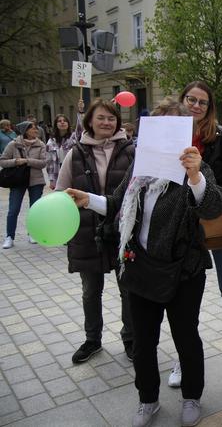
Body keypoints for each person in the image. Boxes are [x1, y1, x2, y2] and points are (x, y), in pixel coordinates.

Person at [66, 97, 222, 427]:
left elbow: (213, 206)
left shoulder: (194, 167)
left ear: (185, 131)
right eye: (159, 124)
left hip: (184, 270)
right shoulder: (142, 168)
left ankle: (192, 396)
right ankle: (148, 399)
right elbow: (116, 203)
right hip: (140, 266)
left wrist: (196, 177)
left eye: (173, 125)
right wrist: (88, 200)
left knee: (186, 337)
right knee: (143, 341)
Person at [168, 81, 222, 385]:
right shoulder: (171, 136)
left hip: (219, 222)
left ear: (210, 107)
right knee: (184, 297)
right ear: (183, 100)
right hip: (183, 228)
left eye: (203, 102)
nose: (196, 106)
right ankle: (182, 357)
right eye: (191, 99)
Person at [55, 99, 135, 364]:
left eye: (111, 119)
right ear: (90, 120)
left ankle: (131, 338)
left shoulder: (131, 151)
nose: (106, 123)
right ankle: (93, 339)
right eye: (101, 118)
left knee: (128, 289)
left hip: (123, 230)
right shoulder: (75, 153)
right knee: (91, 290)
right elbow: (60, 193)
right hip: (86, 232)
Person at [0, 121, 47, 249]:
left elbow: (43, 162)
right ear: (25, 130)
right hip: (18, 181)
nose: (36, 130)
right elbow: (3, 162)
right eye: (32, 128)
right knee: (13, 210)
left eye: (36, 128)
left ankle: (33, 233)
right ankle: (9, 236)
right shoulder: (14, 144)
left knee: (35, 210)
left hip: (36, 181)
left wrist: (27, 161)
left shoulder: (40, 144)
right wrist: (16, 161)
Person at [46, 114, 77, 190]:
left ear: (68, 124)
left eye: (65, 121)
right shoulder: (51, 141)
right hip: (58, 171)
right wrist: (51, 180)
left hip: (73, 170)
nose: (62, 122)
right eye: (59, 121)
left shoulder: (74, 137)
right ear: (56, 124)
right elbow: (49, 162)